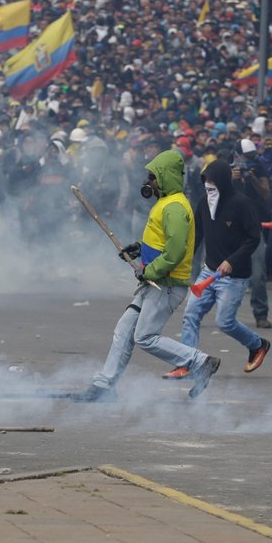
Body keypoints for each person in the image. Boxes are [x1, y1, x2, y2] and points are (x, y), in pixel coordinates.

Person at [76, 150, 221, 401]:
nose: (149, 182)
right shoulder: (166, 202)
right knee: (124, 331)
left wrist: (148, 270)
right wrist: (140, 248)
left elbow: (175, 253)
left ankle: (199, 362)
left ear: (165, 177)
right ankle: (104, 386)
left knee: (144, 337)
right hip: (154, 283)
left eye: (153, 177)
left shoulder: (175, 207)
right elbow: (162, 242)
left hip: (165, 284)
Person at [172, 159, 270, 380]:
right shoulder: (204, 202)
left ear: (224, 183)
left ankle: (258, 345)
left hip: (234, 276)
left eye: (213, 186)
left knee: (224, 322)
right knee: (190, 315)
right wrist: (182, 262)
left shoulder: (242, 204)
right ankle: (189, 363)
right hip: (209, 271)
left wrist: (232, 261)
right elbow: (196, 235)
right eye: (206, 185)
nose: (209, 190)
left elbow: (253, 238)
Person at [232, 138, 272, 329]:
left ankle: (261, 313)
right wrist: (232, 178)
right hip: (232, 227)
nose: (250, 160)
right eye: (247, 157)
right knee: (225, 273)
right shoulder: (227, 169)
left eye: (252, 156)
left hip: (253, 226)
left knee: (258, 274)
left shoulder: (260, 169)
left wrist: (252, 178)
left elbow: (265, 193)